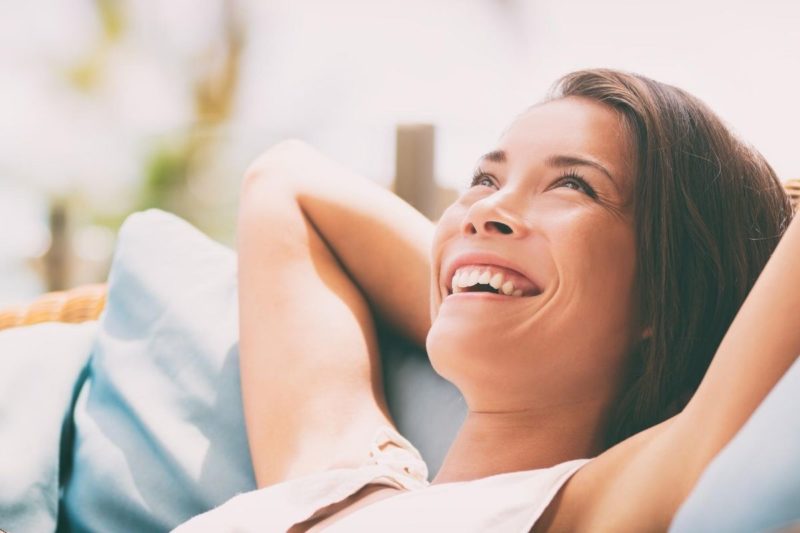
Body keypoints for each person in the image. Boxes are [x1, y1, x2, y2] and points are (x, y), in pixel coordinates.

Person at [175, 69, 798, 531]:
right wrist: (490, 287)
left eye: (574, 185)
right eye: (484, 179)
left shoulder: (593, 509)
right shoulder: (336, 482)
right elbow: (286, 181)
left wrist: (521, 296)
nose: (488, 210)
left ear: (665, 300)